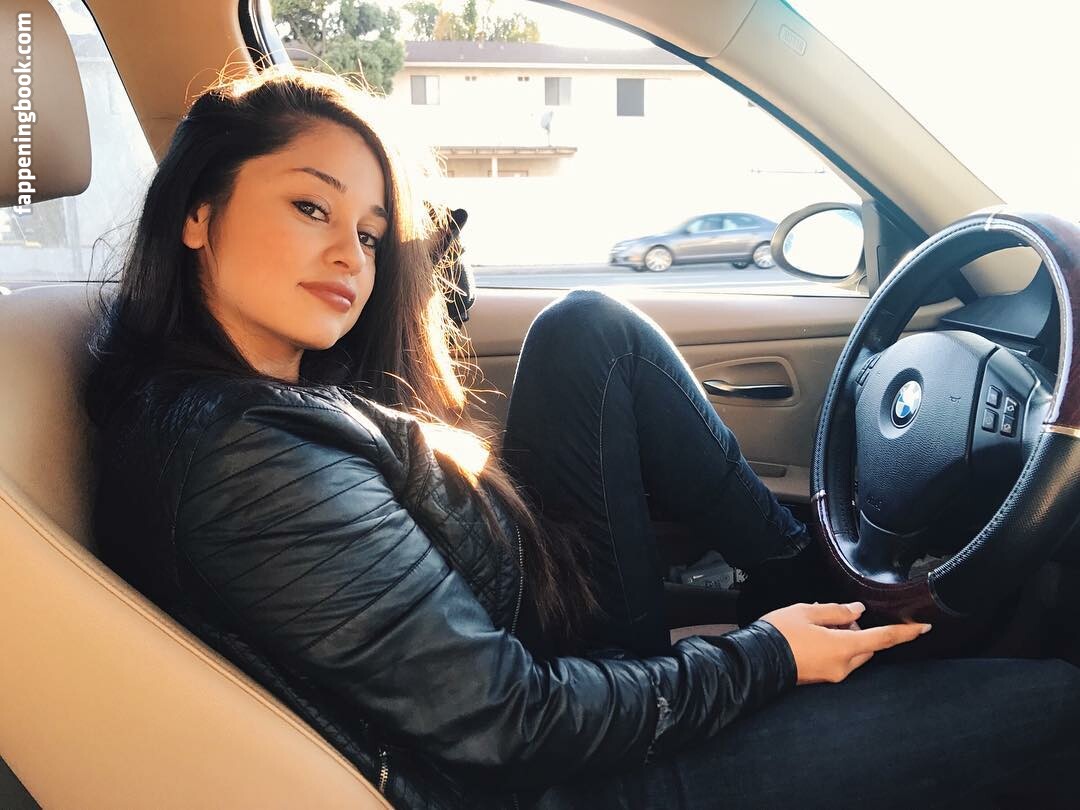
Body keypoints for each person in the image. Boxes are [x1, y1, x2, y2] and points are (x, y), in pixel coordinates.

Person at [84, 67, 1080, 809]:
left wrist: (763, 639)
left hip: (544, 629)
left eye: (372, 233)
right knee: (1054, 707)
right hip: (565, 776)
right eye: (311, 207)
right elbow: (509, 725)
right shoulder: (242, 459)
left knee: (586, 331)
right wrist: (766, 660)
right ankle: (823, 618)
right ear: (198, 215)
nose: (352, 255)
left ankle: (815, 587)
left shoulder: (264, 390)